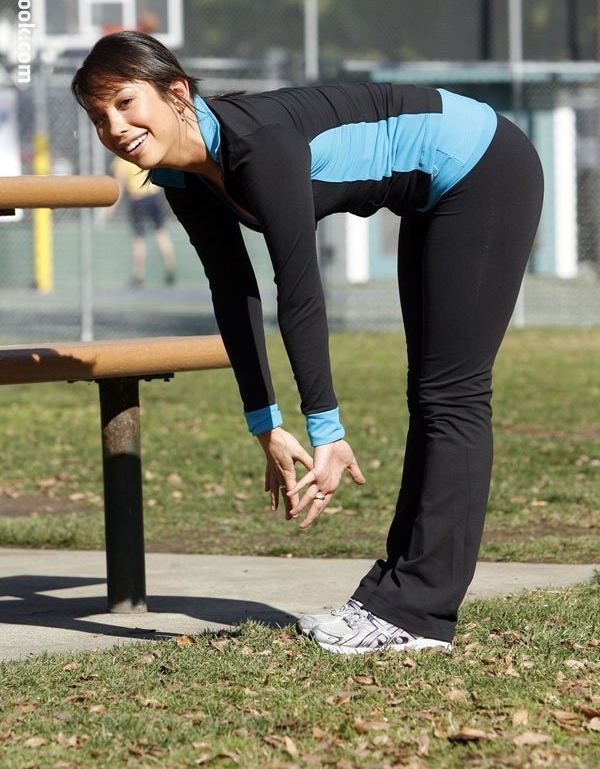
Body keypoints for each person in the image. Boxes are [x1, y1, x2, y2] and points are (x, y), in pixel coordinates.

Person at [72, 32, 544, 655]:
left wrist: (327, 429)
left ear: (176, 91)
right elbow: (233, 291)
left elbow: (297, 290)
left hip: (483, 164)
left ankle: (417, 613)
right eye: (99, 117)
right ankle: (398, 600)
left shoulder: (258, 146)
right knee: (431, 397)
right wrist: (265, 424)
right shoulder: (181, 175)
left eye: (126, 103)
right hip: (432, 191)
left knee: (451, 396)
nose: (115, 127)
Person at [109, 155, 177, 287]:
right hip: (153, 197)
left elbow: (119, 185)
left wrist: (111, 208)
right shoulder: (143, 153)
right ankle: (170, 268)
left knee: (138, 238)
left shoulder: (121, 161)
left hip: (138, 200)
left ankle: (138, 274)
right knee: (161, 233)